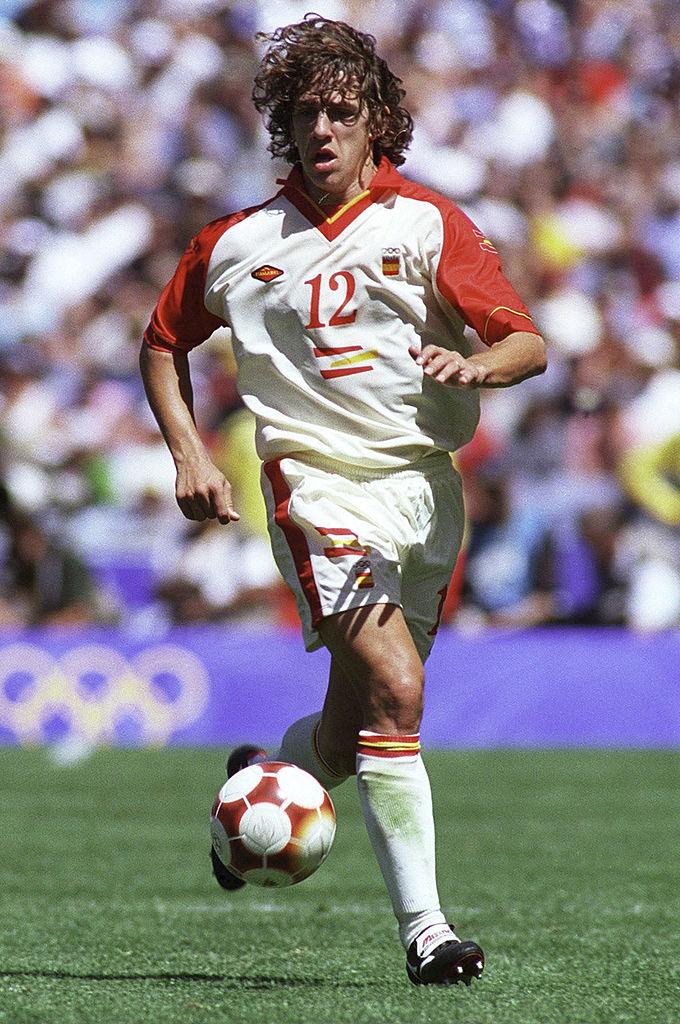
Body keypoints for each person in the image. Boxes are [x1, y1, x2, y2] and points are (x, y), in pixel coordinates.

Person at [140, 15, 547, 987]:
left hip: (424, 490)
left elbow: (526, 341)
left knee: (349, 729)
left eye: (340, 112)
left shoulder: (429, 223)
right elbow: (161, 342)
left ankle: (262, 784)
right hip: (316, 483)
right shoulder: (235, 242)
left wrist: (479, 364)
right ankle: (428, 935)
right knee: (397, 687)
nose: (321, 129)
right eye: (304, 114)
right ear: (283, 127)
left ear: (376, 125)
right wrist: (190, 453)